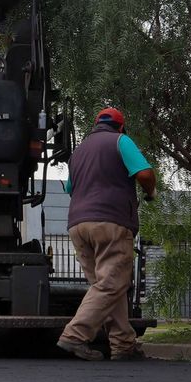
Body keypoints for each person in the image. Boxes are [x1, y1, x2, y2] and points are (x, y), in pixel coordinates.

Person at [56, 106, 156, 362]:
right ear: (121, 126)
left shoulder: (78, 153)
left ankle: (123, 345)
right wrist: (150, 192)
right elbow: (145, 173)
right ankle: (75, 336)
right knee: (111, 284)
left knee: (107, 287)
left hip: (78, 225)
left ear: (95, 125)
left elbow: (70, 188)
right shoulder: (121, 141)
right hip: (110, 222)